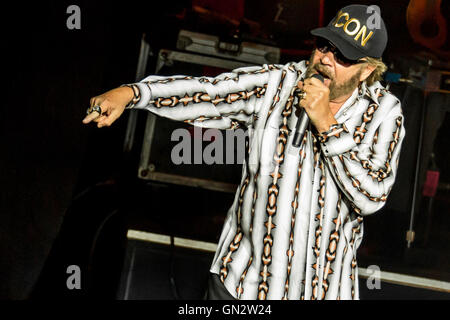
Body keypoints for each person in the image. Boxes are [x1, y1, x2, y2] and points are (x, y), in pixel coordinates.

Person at [83, 5, 405, 300]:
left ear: (366, 70)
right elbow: (208, 93)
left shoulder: (384, 113)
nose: (325, 59)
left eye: (342, 57)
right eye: (324, 46)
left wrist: (326, 124)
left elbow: (371, 195)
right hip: (242, 288)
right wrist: (133, 93)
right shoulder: (278, 84)